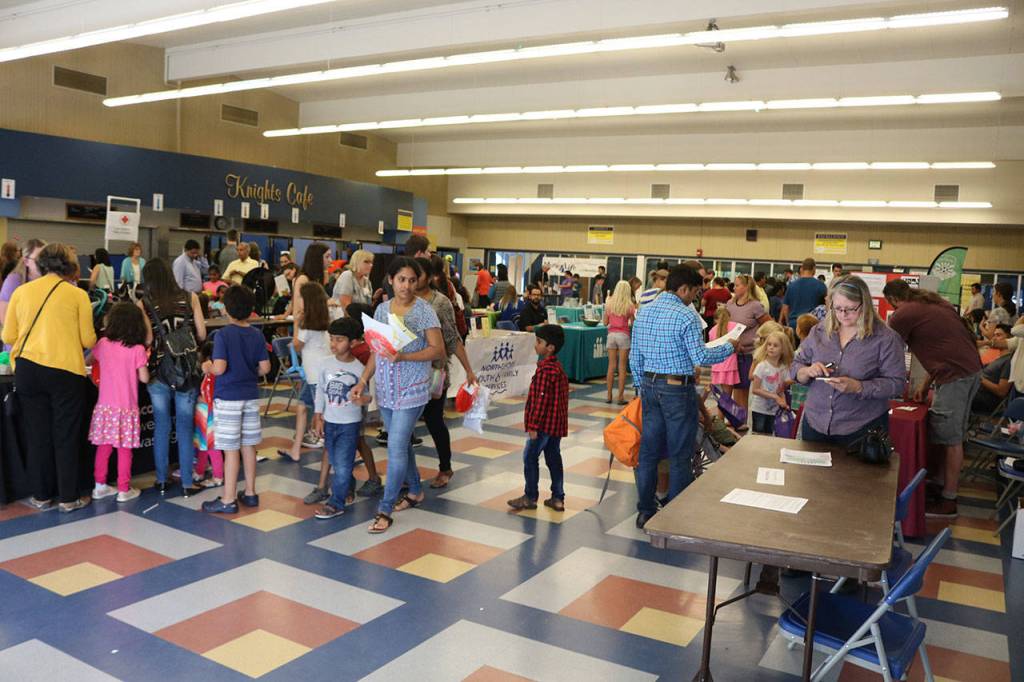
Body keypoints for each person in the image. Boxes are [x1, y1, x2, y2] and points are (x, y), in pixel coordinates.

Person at [630, 265, 737, 528]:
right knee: (679, 453)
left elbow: (635, 356)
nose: (695, 298)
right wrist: (728, 347)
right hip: (677, 390)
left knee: (649, 453)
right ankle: (673, 513)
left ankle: (645, 511)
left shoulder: (644, 311)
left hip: (649, 386)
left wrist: (641, 387)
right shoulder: (685, 316)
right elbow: (700, 357)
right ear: (684, 289)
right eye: (696, 292)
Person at [350, 257, 444, 534]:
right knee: (400, 444)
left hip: (413, 389)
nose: (407, 285)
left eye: (412, 280)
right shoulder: (381, 310)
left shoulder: (424, 311)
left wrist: (405, 356)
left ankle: (385, 507)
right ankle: (415, 490)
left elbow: (437, 349)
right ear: (391, 280)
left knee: (395, 446)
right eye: (402, 279)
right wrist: (364, 380)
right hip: (387, 390)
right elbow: (376, 352)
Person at [2, 243, 96, 512]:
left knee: (37, 433)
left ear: (41, 264)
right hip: (65, 371)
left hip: (29, 370)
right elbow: (88, 339)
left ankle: (41, 495)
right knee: (65, 434)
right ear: (68, 265)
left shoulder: (22, 292)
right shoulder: (77, 295)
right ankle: (68, 498)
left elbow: (8, 336)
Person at [884, 278, 983, 518]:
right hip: (968, 371)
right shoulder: (933, 304)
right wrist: (926, 384)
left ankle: (949, 500)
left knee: (951, 439)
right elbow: (941, 347)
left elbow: (884, 347)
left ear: (893, 301)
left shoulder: (903, 314)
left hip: (955, 377)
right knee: (950, 433)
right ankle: (940, 483)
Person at [138, 258, 207, 495]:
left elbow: (147, 339)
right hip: (186, 370)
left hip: (158, 372)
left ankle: (162, 480)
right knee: (186, 427)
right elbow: (201, 333)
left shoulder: (144, 303)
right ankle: (188, 483)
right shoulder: (191, 298)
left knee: (162, 426)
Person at [202, 285, 272, 514]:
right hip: (250, 396)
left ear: (227, 310)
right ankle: (250, 493)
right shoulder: (257, 334)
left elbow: (220, 368)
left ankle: (228, 499)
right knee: (248, 445)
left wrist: (208, 366)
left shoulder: (222, 335)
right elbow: (265, 368)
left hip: (228, 398)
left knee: (230, 449)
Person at [417, 255, 478, 489]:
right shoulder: (404, 300)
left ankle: (445, 467)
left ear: (431, 276)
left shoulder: (440, 302)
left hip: (435, 372)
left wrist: (469, 370)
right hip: (408, 370)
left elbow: (453, 338)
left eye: (418, 274)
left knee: (434, 420)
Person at [308, 317, 373, 520]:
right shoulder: (325, 364)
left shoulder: (360, 370)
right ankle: (348, 486)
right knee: (338, 462)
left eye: (339, 340)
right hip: (330, 422)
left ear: (353, 342)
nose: (333, 344)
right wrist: (318, 416)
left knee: (343, 465)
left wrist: (361, 400)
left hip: (350, 425)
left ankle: (335, 503)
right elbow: (320, 391)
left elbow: (369, 397)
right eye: (332, 339)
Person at [89, 302, 149, 503]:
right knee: (125, 449)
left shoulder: (103, 344)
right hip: (127, 408)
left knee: (103, 447)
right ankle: (124, 489)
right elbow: (144, 378)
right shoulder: (137, 349)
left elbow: (89, 362)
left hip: (105, 407)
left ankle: (99, 486)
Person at [507, 324, 569, 513]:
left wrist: (532, 426)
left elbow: (540, 401)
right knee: (554, 458)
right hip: (555, 425)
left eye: (539, 342)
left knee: (530, 457)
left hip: (542, 426)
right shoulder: (558, 369)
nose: (536, 345)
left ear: (550, 347)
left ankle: (530, 496)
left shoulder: (545, 371)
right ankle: (558, 497)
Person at [281, 283, 333, 463]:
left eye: (301, 298)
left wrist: (295, 322)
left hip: (314, 377)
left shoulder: (306, 323)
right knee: (302, 407)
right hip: (320, 374)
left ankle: (336, 454)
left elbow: (296, 345)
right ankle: (295, 449)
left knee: (323, 417)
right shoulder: (323, 320)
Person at [726, 274, 772, 409]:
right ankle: (736, 417)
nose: (734, 287)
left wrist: (761, 344)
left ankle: (742, 419)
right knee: (734, 387)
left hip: (748, 353)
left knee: (744, 388)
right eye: (734, 285)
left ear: (746, 287)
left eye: (737, 285)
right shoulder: (730, 304)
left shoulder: (755, 306)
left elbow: (769, 326)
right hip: (732, 353)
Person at [749, 330, 795, 434]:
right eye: (769, 344)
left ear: (783, 349)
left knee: (770, 436)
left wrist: (784, 403)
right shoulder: (762, 366)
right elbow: (755, 390)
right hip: (760, 409)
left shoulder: (783, 368)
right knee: (758, 436)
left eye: (775, 345)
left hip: (774, 410)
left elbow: (781, 390)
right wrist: (775, 397)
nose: (771, 347)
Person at [194, 341, 223, 488]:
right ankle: (199, 470)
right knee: (204, 446)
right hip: (207, 412)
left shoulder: (210, 371)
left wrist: (201, 399)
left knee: (211, 447)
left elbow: (208, 394)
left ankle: (218, 476)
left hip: (207, 413)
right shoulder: (218, 371)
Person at [602, 280, 635, 405]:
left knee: (611, 366)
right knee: (622, 368)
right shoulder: (629, 305)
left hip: (611, 336)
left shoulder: (609, 303)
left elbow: (605, 322)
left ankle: (609, 396)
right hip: (623, 336)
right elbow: (633, 323)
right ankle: (620, 397)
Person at [0, 239, 45, 326]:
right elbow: (3, 316)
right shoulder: (14, 280)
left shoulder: (52, 278)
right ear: (26, 261)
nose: (43, 263)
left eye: (46, 258)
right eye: (38, 259)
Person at [973, 324, 1013, 414]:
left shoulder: (1009, 361)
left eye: (998, 335)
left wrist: (979, 378)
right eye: (994, 335)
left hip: (985, 400)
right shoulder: (999, 358)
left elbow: (1001, 391)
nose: (994, 339)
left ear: (1010, 339)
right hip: (976, 392)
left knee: (954, 392)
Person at [781, 258, 827, 328]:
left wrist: (788, 323)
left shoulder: (791, 286)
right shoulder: (821, 285)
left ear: (802, 268)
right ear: (814, 269)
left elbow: (785, 307)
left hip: (794, 324)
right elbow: (827, 305)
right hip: (811, 326)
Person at [709, 307, 740, 395]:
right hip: (730, 365)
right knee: (728, 396)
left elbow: (712, 349)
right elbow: (737, 347)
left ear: (715, 319)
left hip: (717, 365)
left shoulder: (712, 331)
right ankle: (723, 409)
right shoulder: (735, 326)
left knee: (724, 394)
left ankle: (722, 408)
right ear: (729, 316)